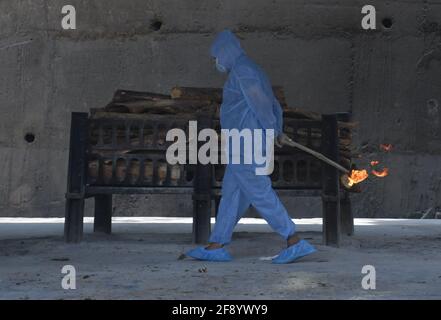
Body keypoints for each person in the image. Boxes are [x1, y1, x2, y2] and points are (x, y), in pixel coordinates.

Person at [186, 30, 316, 264]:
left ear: (225, 52)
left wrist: (272, 129)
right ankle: (217, 244)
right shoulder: (250, 69)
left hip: (248, 142)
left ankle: (293, 239)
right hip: (244, 141)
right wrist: (276, 128)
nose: (216, 62)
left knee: (259, 191)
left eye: (216, 56)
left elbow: (261, 104)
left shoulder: (243, 71)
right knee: (232, 193)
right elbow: (273, 104)